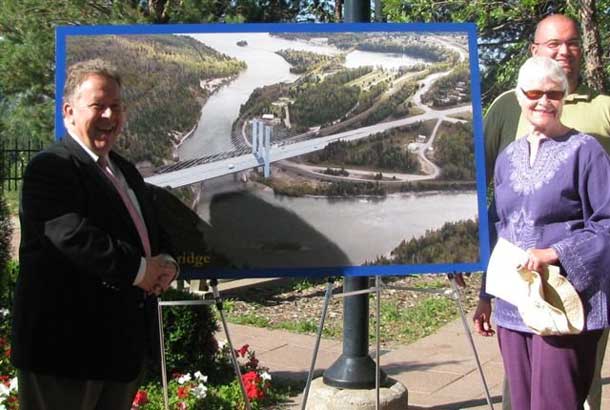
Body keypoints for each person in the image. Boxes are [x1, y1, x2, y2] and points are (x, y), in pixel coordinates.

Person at [11, 59, 178, 410]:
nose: (108, 116)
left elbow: (150, 225)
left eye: (115, 107)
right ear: (69, 111)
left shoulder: (125, 170)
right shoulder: (51, 167)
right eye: (98, 106)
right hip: (66, 355)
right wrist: (139, 270)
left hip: (119, 353)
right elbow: (72, 236)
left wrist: (167, 261)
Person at [476, 13, 610, 410]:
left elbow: (606, 223)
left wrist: (556, 253)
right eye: (534, 94)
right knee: (519, 402)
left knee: (556, 402)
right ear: (519, 98)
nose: (543, 102)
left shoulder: (586, 151)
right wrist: (486, 293)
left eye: (553, 93)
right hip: (513, 302)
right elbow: (501, 224)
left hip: (564, 299)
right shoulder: (509, 157)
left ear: (564, 97)